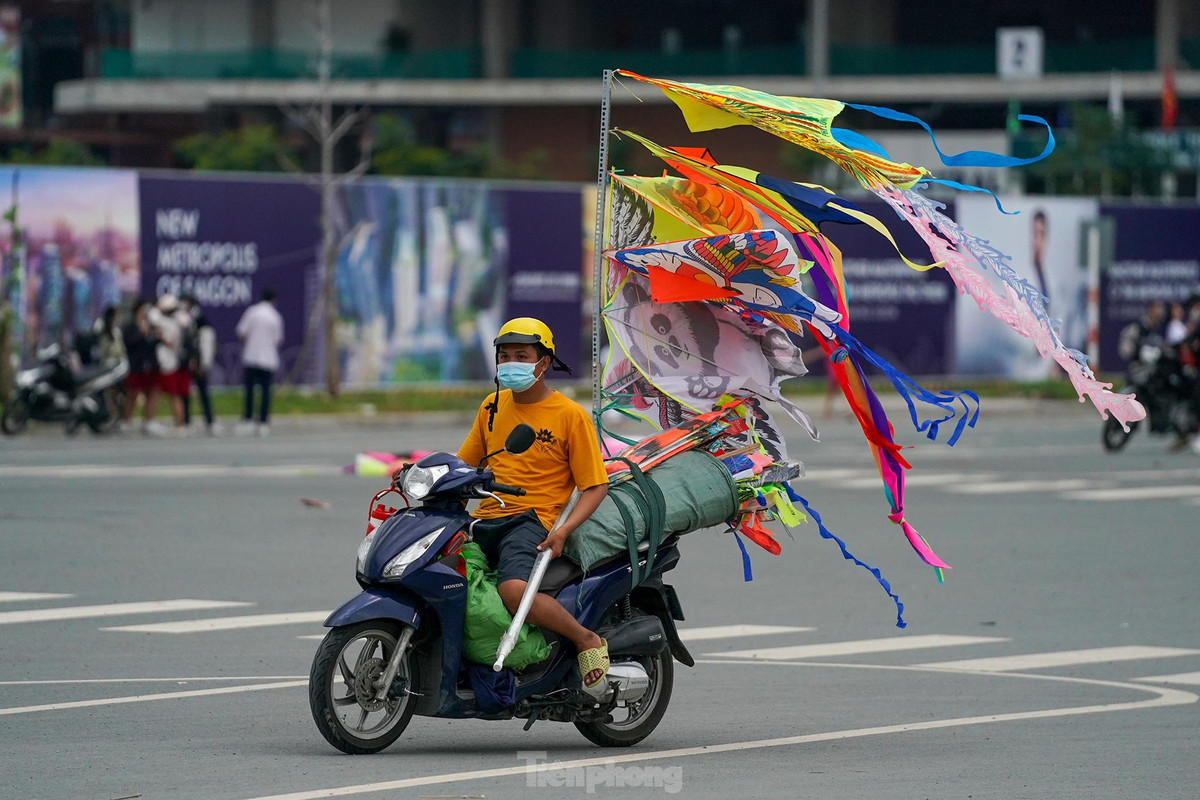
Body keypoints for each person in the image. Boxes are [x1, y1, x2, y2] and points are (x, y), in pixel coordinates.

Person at [456, 317, 612, 689]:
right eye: (504, 355)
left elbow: (595, 486)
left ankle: (584, 637)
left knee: (511, 590)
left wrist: (563, 531)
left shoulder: (570, 415)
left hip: (530, 520)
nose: (511, 363)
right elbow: (465, 465)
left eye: (521, 355)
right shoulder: (491, 406)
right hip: (485, 515)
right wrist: (419, 471)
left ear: (543, 363)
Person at [236, 287, 283, 436]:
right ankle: (263, 421)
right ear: (273, 301)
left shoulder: (252, 312)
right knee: (266, 392)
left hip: (251, 356)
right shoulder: (275, 316)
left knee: (249, 390)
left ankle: (248, 418)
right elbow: (278, 339)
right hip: (268, 359)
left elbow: (241, 332)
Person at [148, 294, 191, 435]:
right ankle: (176, 423)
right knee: (162, 393)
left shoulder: (168, 323)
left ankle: (177, 423)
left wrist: (156, 308)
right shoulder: (179, 321)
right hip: (170, 363)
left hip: (166, 364)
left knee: (169, 394)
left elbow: (152, 315)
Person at [121, 298, 163, 435]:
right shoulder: (130, 326)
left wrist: (155, 335)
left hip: (151, 364)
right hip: (137, 365)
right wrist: (141, 334)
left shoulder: (151, 325)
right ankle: (126, 420)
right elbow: (129, 343)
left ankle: (149, 420)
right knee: (132, 393)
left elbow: (154, 342)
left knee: (154, 391)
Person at [181, 294, 218, 435]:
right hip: (187, 362)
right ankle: (186, 420)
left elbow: (206, 342)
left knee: (203, 393)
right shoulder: (183, 317)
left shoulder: (200, 320)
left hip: (198, 362)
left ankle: (209, 421)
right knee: (185, 393)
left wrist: (203, 363)